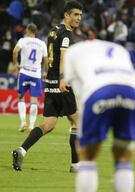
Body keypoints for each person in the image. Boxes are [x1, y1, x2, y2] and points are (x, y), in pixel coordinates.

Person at [64, 39, 135, 192]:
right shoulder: (119, 48)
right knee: (123, 156)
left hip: (98, 90)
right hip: (133, 91)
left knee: (87, 155)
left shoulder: (73, 51)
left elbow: (79, 92)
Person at [12, 0, 83, 172]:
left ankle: (21, 150)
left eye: (80, 15)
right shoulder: (66, 34)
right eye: (75, 14)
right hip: (61, 84)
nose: (78, 18)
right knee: (77, 121)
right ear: (66, 15)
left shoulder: (53, 30)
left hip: (49, 84)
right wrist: (63, 78)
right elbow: (64, 57)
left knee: (49, 124)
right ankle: (76, 165)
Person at [12, 23, 48, 132]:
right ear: (36, 31)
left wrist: (15, 64)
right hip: (36, 74)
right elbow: (46, 60)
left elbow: (15, 52)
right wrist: (46, 71)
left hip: (24, 72)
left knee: (21, 97)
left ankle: (23, 123)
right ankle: (31, 126)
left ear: (27, 30)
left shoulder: (23, 40)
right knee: (34, 100)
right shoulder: (42, 43)